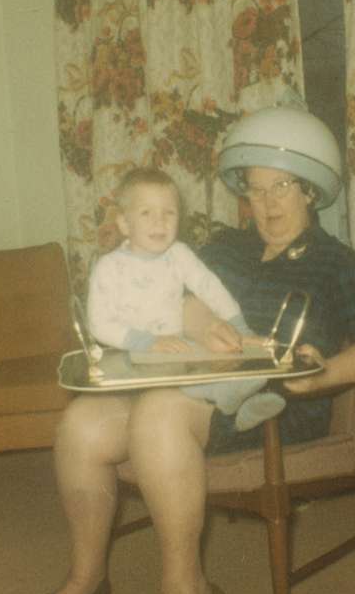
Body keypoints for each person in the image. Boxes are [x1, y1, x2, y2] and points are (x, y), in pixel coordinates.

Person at [19, 105, 355, 594]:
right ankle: (86, 579)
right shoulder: (226, 246)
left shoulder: (337, 262)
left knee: (156, 417)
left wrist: (324, 374)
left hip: (270, 403)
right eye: (256, 191)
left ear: (310, 190)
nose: (265, 205)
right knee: (81, 423)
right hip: (179, 375)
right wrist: (201, 316)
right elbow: (178, 288)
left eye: (282, 188)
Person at [86, 166, 285, 432]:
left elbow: (210, 288)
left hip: (176, 352)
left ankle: (243, 402)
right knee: (187, 378)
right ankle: (231, 398)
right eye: (146, 213)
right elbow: (99, 324)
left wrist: (240, 329)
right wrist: (148, 343)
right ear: (124, 223)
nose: (160, 222)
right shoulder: (109, 268)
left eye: (169, 213)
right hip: (131, 356)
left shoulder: (179, 255)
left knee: (210, 359)